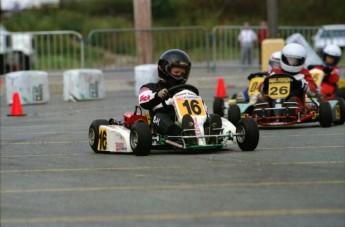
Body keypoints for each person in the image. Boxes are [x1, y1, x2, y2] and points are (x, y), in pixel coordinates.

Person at [138, 49, 221, 144]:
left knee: (209, 117)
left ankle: (208, 132)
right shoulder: (151, 87)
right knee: (161, 117)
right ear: (164, 70)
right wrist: (158, 96)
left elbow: (202, 107)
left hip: (189, 120)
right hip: (163, 121)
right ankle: (179, 135)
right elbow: (143, 101)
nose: (180, 76)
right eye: (176, 72)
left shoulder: (187, 90)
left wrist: (203, 110)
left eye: (183, 73)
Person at [257, 43, 317, 115]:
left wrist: (301, 84)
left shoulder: (304, 73)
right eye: (290, 59)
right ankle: (265, 113)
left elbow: (313, 90)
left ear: (301, 61)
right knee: (262, 99)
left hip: (294, 99)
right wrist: (265, 84)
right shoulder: (275, 72)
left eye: (295, 60)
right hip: (273, 100)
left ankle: (288, 113)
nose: (292, 62)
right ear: (283, 58)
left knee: (293, 100)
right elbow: (260, 88)